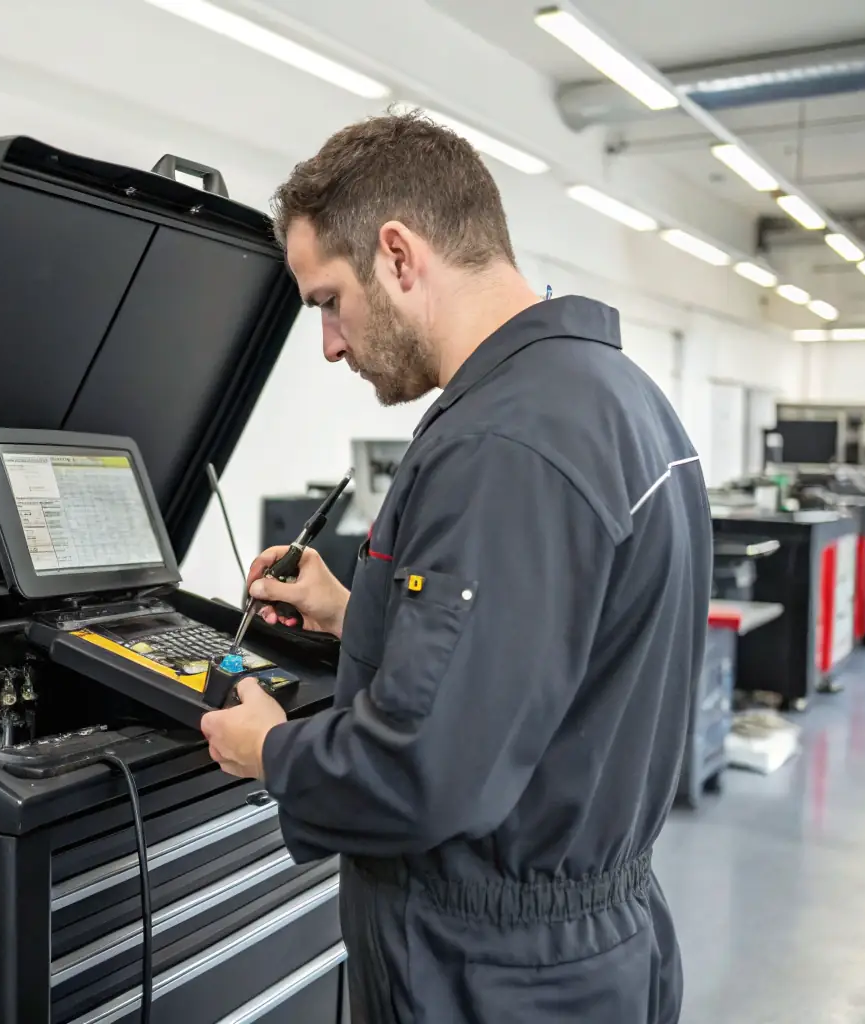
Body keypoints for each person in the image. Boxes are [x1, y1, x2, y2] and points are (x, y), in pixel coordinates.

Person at [200, 110, 710, 1024]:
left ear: (398, 256)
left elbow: (425, 772)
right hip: (583, 950)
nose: (330, 343)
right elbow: (541, 659)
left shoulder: (501, 446)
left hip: (492, 976)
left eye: (327, 302)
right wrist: (355, 613)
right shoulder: (612, 396)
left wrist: (271, 752)